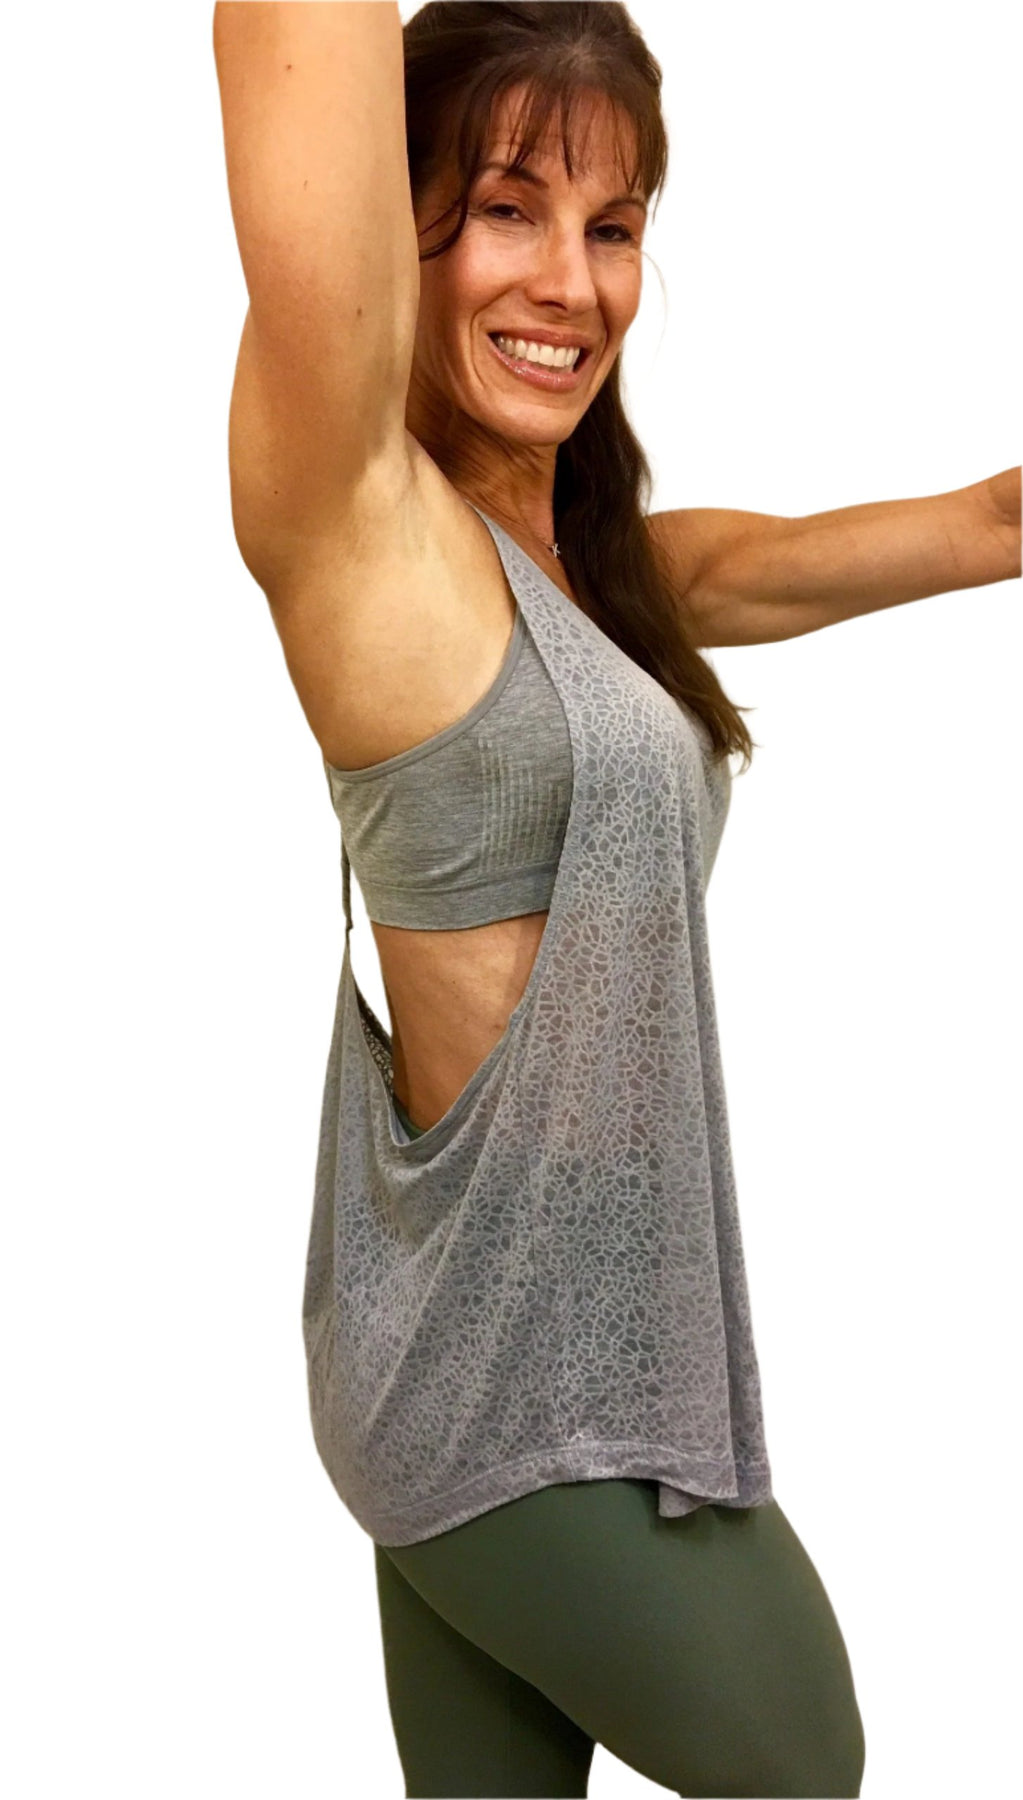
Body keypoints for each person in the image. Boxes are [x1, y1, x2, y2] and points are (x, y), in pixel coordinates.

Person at [212, 5, 1019, 1795]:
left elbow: (987, 522)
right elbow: (297, 74)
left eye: (614, 224)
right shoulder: (363, 533)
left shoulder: (609, 578)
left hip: (510, 1350)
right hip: (515, 1391)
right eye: (506, 207)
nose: (571, 284)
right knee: (800, 1753)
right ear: (397, 228)